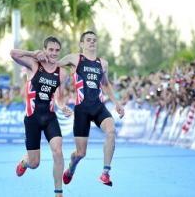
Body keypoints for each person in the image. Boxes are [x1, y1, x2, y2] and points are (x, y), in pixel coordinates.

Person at [57, 31, 125, 186]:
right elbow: (53, 66)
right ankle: (71, 168)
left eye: (94, 40)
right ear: (82, 44)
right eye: (88, 40)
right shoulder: (74, 58)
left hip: (99, 107)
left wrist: (117, 103)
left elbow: (106, 84)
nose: (92, 42)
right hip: (82, 110)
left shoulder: (103, 63)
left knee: (111, 131)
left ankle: (105, 173)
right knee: (80, 153)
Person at [10, 36, 72, 197]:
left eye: (57, 50)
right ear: (45, 50)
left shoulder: (62, 73)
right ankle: (25, 162)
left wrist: (62, 106)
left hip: (50, 117)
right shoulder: (34, 65)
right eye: (50, 49)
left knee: (58, 151)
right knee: (34, 163)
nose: (54, 53)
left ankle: (58, 193)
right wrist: (32, 53)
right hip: (32, 118)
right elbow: (13, 53)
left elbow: (58, 97)